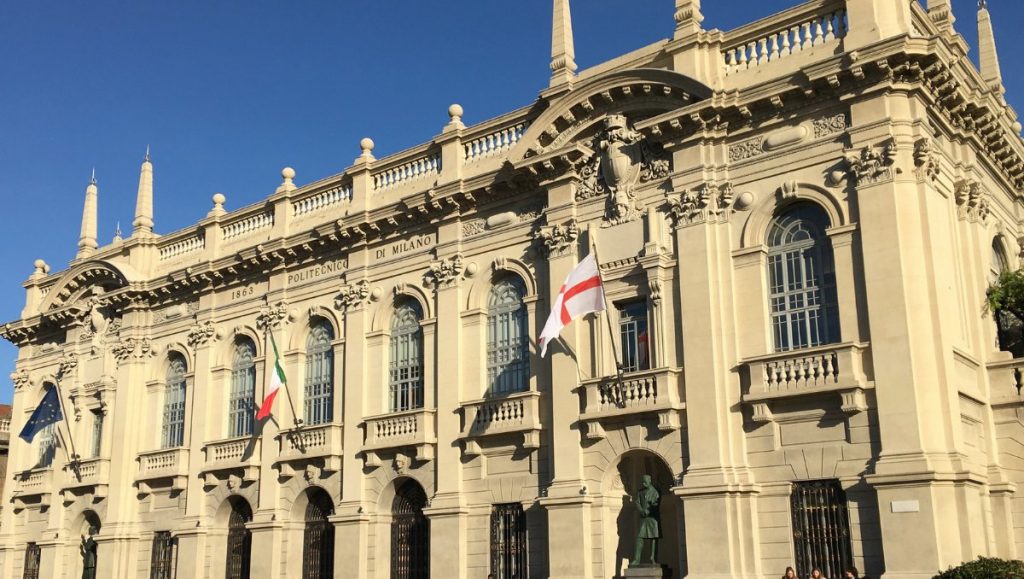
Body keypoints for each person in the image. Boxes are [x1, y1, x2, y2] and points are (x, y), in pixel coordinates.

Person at [629, 474, 661, 567]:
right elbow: (637, 502)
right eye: (643, 481)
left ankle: (653, 558)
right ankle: (636, 559)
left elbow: (656, 503)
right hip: (643, 518)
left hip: (652, 518)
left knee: (653, 538)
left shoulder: (655, 492)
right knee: (639, 538)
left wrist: (648, 510)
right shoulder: (640, 492)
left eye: (645, 481)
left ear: (649, 481)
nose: (643, 483)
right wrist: (641, 511)